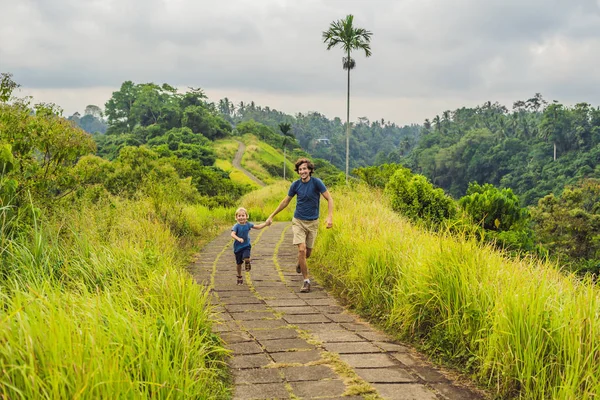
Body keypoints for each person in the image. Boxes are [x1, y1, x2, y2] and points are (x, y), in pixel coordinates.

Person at [266, 158, 333, 292]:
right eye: (300, 169)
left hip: (313, 222)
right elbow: (285, 202)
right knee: (301, 250)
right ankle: (306, 281)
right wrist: (271, 215)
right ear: (298, 171)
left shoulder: (317, 183)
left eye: (305, 169)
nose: (302, 171)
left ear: (309, 170)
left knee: (307, 253)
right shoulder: (295, 185)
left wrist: (329, 217)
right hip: (298, 221)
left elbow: (329, 198)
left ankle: (300, 262)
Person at [231, 207, 269, 285]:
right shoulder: (236, 226)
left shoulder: (248, 224)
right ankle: (239, 276)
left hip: (246, 245)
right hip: (238, 247)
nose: (241, 217)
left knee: (246, 257)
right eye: (239, 216)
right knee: (238, 263)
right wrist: (238, 239)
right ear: (236, 217)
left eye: (243, 215)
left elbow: (257, 227)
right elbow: (232, 234)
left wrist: (266, 224)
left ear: (246, 216)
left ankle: (247, 262)